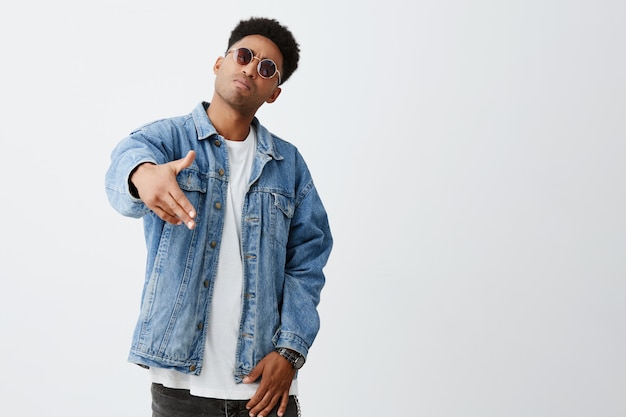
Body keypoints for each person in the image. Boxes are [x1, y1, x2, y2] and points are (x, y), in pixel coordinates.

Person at [105, 17, 333, 417]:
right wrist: (142, 175)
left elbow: (308, 261)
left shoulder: (289, 165)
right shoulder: (167, 139)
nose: (250, 67)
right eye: (243, 55)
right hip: (181, 390)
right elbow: (122, 170)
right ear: (219, 63)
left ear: (274, 93)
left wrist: (291, 351)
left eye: (266, 68)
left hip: (266, 390)